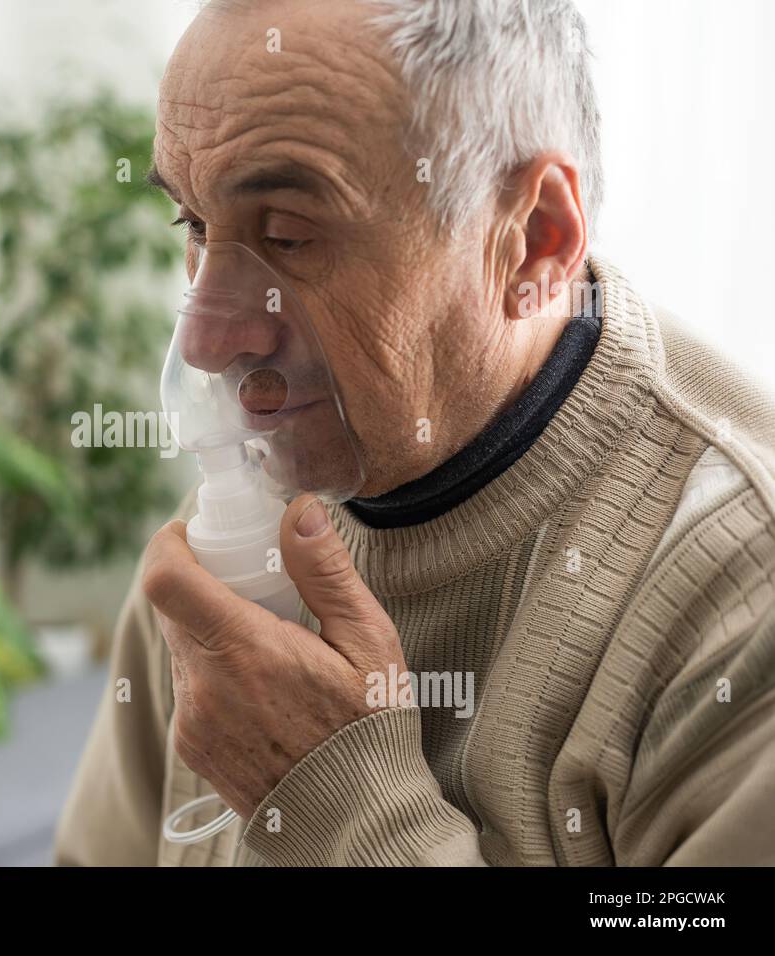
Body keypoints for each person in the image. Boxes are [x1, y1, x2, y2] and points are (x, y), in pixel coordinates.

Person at [55, 0, 775, 866]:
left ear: (535, 239)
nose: (205, 340)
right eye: (196, 227)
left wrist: (349, 806)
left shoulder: (737, 617)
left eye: (288, 235)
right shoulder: (230, 551)